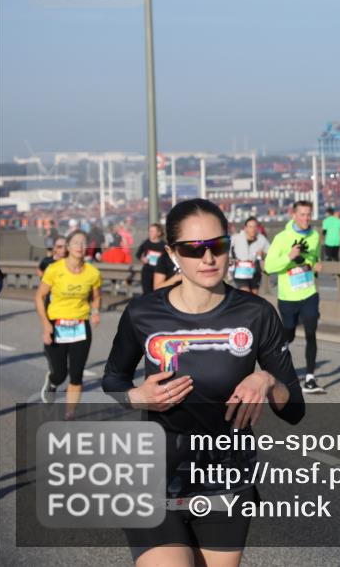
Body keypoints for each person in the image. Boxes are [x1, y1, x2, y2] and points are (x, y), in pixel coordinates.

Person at [102, 198, 304, 565]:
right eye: (193, 249)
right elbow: (113, 378)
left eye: (218, 245)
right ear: (172, 253)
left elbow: (294, 410)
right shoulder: (142, 313)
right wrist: (137, 396)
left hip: (227, 481)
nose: (208, 258)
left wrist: (266, 380)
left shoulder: (257, 314)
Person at [34, 230, 102, 413]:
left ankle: (69, 415)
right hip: (56, 325)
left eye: (83, 242)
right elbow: (39, 296)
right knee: (60, 373)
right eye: (76, 242)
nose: (80, 246)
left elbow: (96, 296)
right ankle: (53, 381)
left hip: (81, 326)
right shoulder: (54, 269)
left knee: (76, 375)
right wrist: (46, 324)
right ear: (69, 246)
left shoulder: (93, 273)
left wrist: (95, 312)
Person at [265, 200, 324, 393]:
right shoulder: (282, 238)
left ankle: (310, 378)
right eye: (302, 214)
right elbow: (268, 267)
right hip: (288, 297)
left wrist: (315, 264)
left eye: (309, 214)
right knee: (288, 334)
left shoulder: (314, 236)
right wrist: (289, 257)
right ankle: (275, 359)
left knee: (311, 330)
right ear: (294, 215)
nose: (306, 218)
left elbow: (314, 257)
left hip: (309, 292)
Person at [230, 216, 270, 294]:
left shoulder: (261, 239)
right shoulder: (237, 237)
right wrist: (230, 259)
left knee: (254, 296)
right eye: (250, 227)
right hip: (240, 271)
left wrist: (263, 255)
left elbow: (270, 253)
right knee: (246, 293)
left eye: (255, 226)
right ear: (245, 228)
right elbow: (226, 248)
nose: (253, 229)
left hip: (255, 271)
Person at [135, 223, 166, 296]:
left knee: (158, 293)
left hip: (159, 273)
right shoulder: (146, 243)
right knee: (147, 293)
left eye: (152, 231)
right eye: (149, 231)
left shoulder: (164, 245)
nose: (150, 233)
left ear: (158, 233)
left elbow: (167, 259)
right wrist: (142, 258)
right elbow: (138, 254)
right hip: (147, 271)